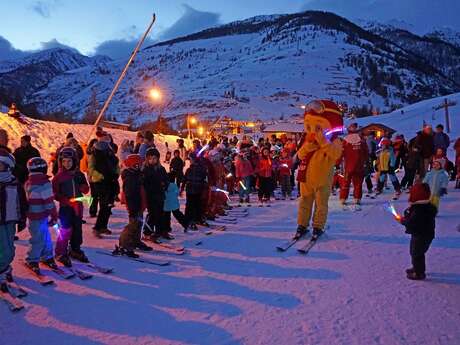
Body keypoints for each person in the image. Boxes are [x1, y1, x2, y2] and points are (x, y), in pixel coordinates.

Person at [294, 100, 343, 239]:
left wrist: (323, 142)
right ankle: (302, 225)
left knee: (321, 205)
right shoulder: (307, 139)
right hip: (306, 178)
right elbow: (299, 155)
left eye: (317, 127)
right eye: (309, 126)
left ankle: (318, 226)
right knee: (304, 202)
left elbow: (336, 155)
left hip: (323, 179)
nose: (313, 130)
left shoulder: (334, 140)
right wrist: (309, 145)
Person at [52, 147, 90, 266]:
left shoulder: (79, 174)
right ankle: (60, 252)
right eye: (64, 161)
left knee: (77, 228)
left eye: (69, 161)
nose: (67, 164)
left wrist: (82, 185)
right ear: (60, 162)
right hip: (66, 207)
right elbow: (55, 193)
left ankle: (75, 249)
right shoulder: (59, 177)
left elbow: (86, 190)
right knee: (65, 229)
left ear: (74, 161)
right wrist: (64, 199)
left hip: (78, 206)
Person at [24, 157, 58, 273]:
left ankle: (47, 256)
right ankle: (32, 259)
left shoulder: (28, 183)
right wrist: (54, 215)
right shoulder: (44, 184)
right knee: (39, 238)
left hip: (33, 216)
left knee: (43, 236)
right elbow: (49, 202)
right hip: (40, 215)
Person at [396, 183, 437, 280]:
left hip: (421, 235)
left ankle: (419, 273)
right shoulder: (425, 206)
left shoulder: (419, 209)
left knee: (416, 253)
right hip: (424, 234)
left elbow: (412, 223)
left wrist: (402, 220)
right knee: (417, 253)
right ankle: (417, 268)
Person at [0, 148, 27, 288]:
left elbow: (22, 203)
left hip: (9, 221)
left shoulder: (14, 184)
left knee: (9, 250)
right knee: (2, 250)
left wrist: (22, 219)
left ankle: (5, 268)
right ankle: (2, 272)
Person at [118, 154, 152, 258]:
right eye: (140, 164)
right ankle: (124, 245)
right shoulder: (130, 177)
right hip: (134, 206)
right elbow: (129, 194)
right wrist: (133, 208)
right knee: (133, 226)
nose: (142, 166)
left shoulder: (137, 174)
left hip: (140, 205)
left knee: (139, 224)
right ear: (135, 165)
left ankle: (136, 241)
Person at [91, 132, 120, 237]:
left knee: (108, 205)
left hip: (111, 181)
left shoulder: (110, 152)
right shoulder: (96, 153)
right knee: (104, 205)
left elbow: (116, 164)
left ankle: (103, 226)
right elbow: (91, 169)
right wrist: (101, 177)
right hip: (102, 183)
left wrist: (116, 173)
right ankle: (97, 228)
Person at [339, 123, 369, 208]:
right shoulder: (362, 140)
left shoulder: (345, 141)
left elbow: (341, 153)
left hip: (348, 167)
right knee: (358, 183)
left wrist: (337, 163)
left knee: (346, 183)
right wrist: (367, 162)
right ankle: (357, 199)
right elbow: (366, 152)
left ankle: (343, 198)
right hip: (359, 166)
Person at [143, 148, 169, 241]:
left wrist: (165, 184)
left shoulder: (161, 169)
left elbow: (166, 179)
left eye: (154, 158)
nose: (152, 160)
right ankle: (147, 232)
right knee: (152, 214)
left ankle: (159, 231)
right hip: (150, 195)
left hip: (160, 195)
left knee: (160, 214)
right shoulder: (145, 169)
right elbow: (144, 183)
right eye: (150, 158)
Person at [184, 152, 208, 230]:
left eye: (190, 159)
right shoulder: (190, 169)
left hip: (196, 189)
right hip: (192, 189)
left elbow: (204, 178)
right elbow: (185, 178)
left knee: (194, 205)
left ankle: (194, 219)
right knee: (193, 205)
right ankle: (191, 220)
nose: (190, 161)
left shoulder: (197, 169)